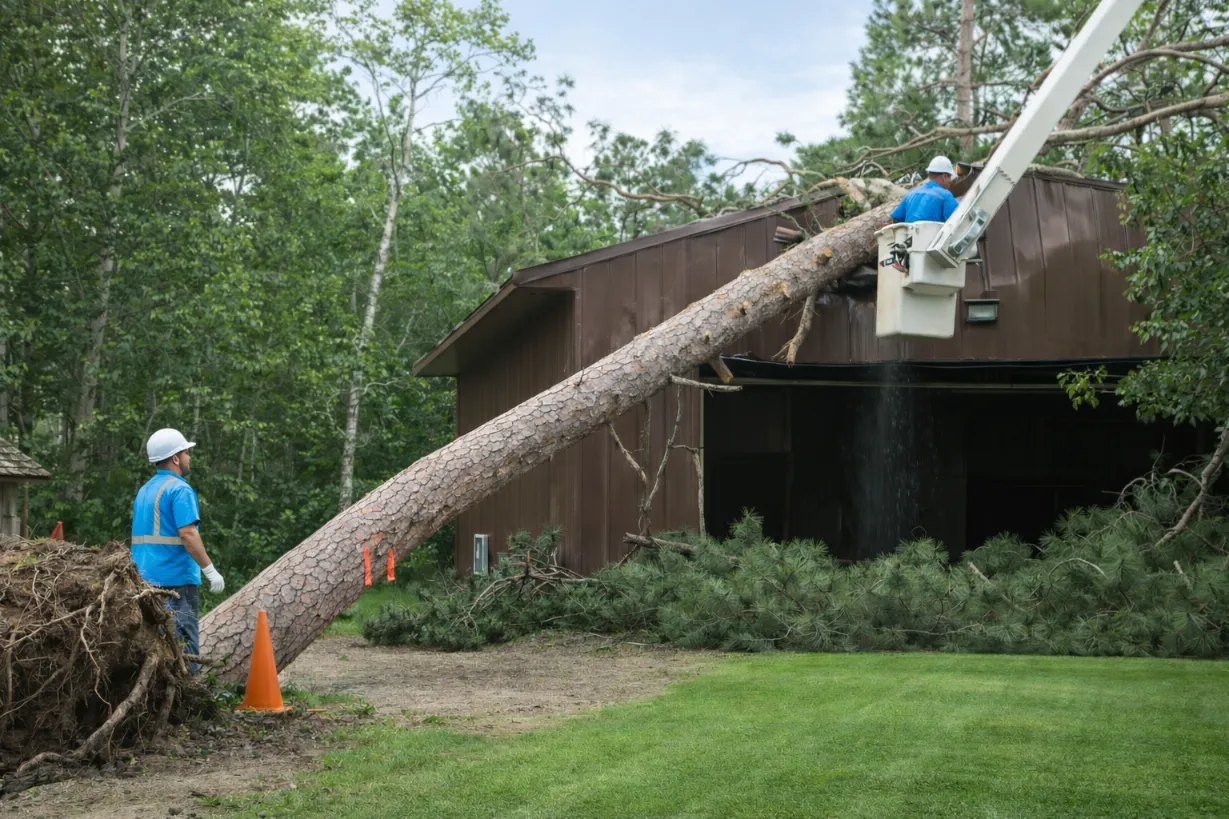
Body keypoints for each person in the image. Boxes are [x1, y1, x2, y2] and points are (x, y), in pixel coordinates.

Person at [131, 428, 224, 673]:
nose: (188, 457)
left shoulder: (144, 491)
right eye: (185, 452)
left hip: (143, 582)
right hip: (176, 584)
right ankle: (188, 704)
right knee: (183, 649)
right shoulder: (180, 490)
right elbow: (188, 534)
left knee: (153, 647)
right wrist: (210, 570)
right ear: (175, 458)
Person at [890, 155, 960, 223]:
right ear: (944, 176)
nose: (950, 181)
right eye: (950, 176)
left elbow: (896, 218)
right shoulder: (945, 195)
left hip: (910, 234)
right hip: (933, 234)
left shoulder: (911, 194)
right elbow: (956, 221)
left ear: (929, 175)